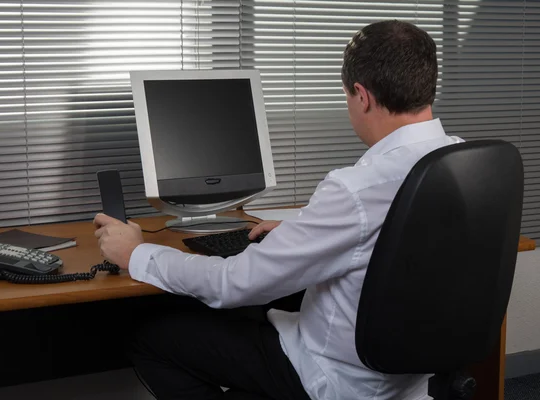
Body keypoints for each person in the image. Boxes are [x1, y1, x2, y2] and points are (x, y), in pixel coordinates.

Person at [94, 20, 463, 400]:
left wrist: (138, 254)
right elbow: (386, 230)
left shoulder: (356, 189)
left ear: (361, 95)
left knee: (152, 338)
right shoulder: (466, 164)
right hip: (413, 379)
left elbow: (234, 283)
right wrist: (306, 227)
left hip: (337, 380)